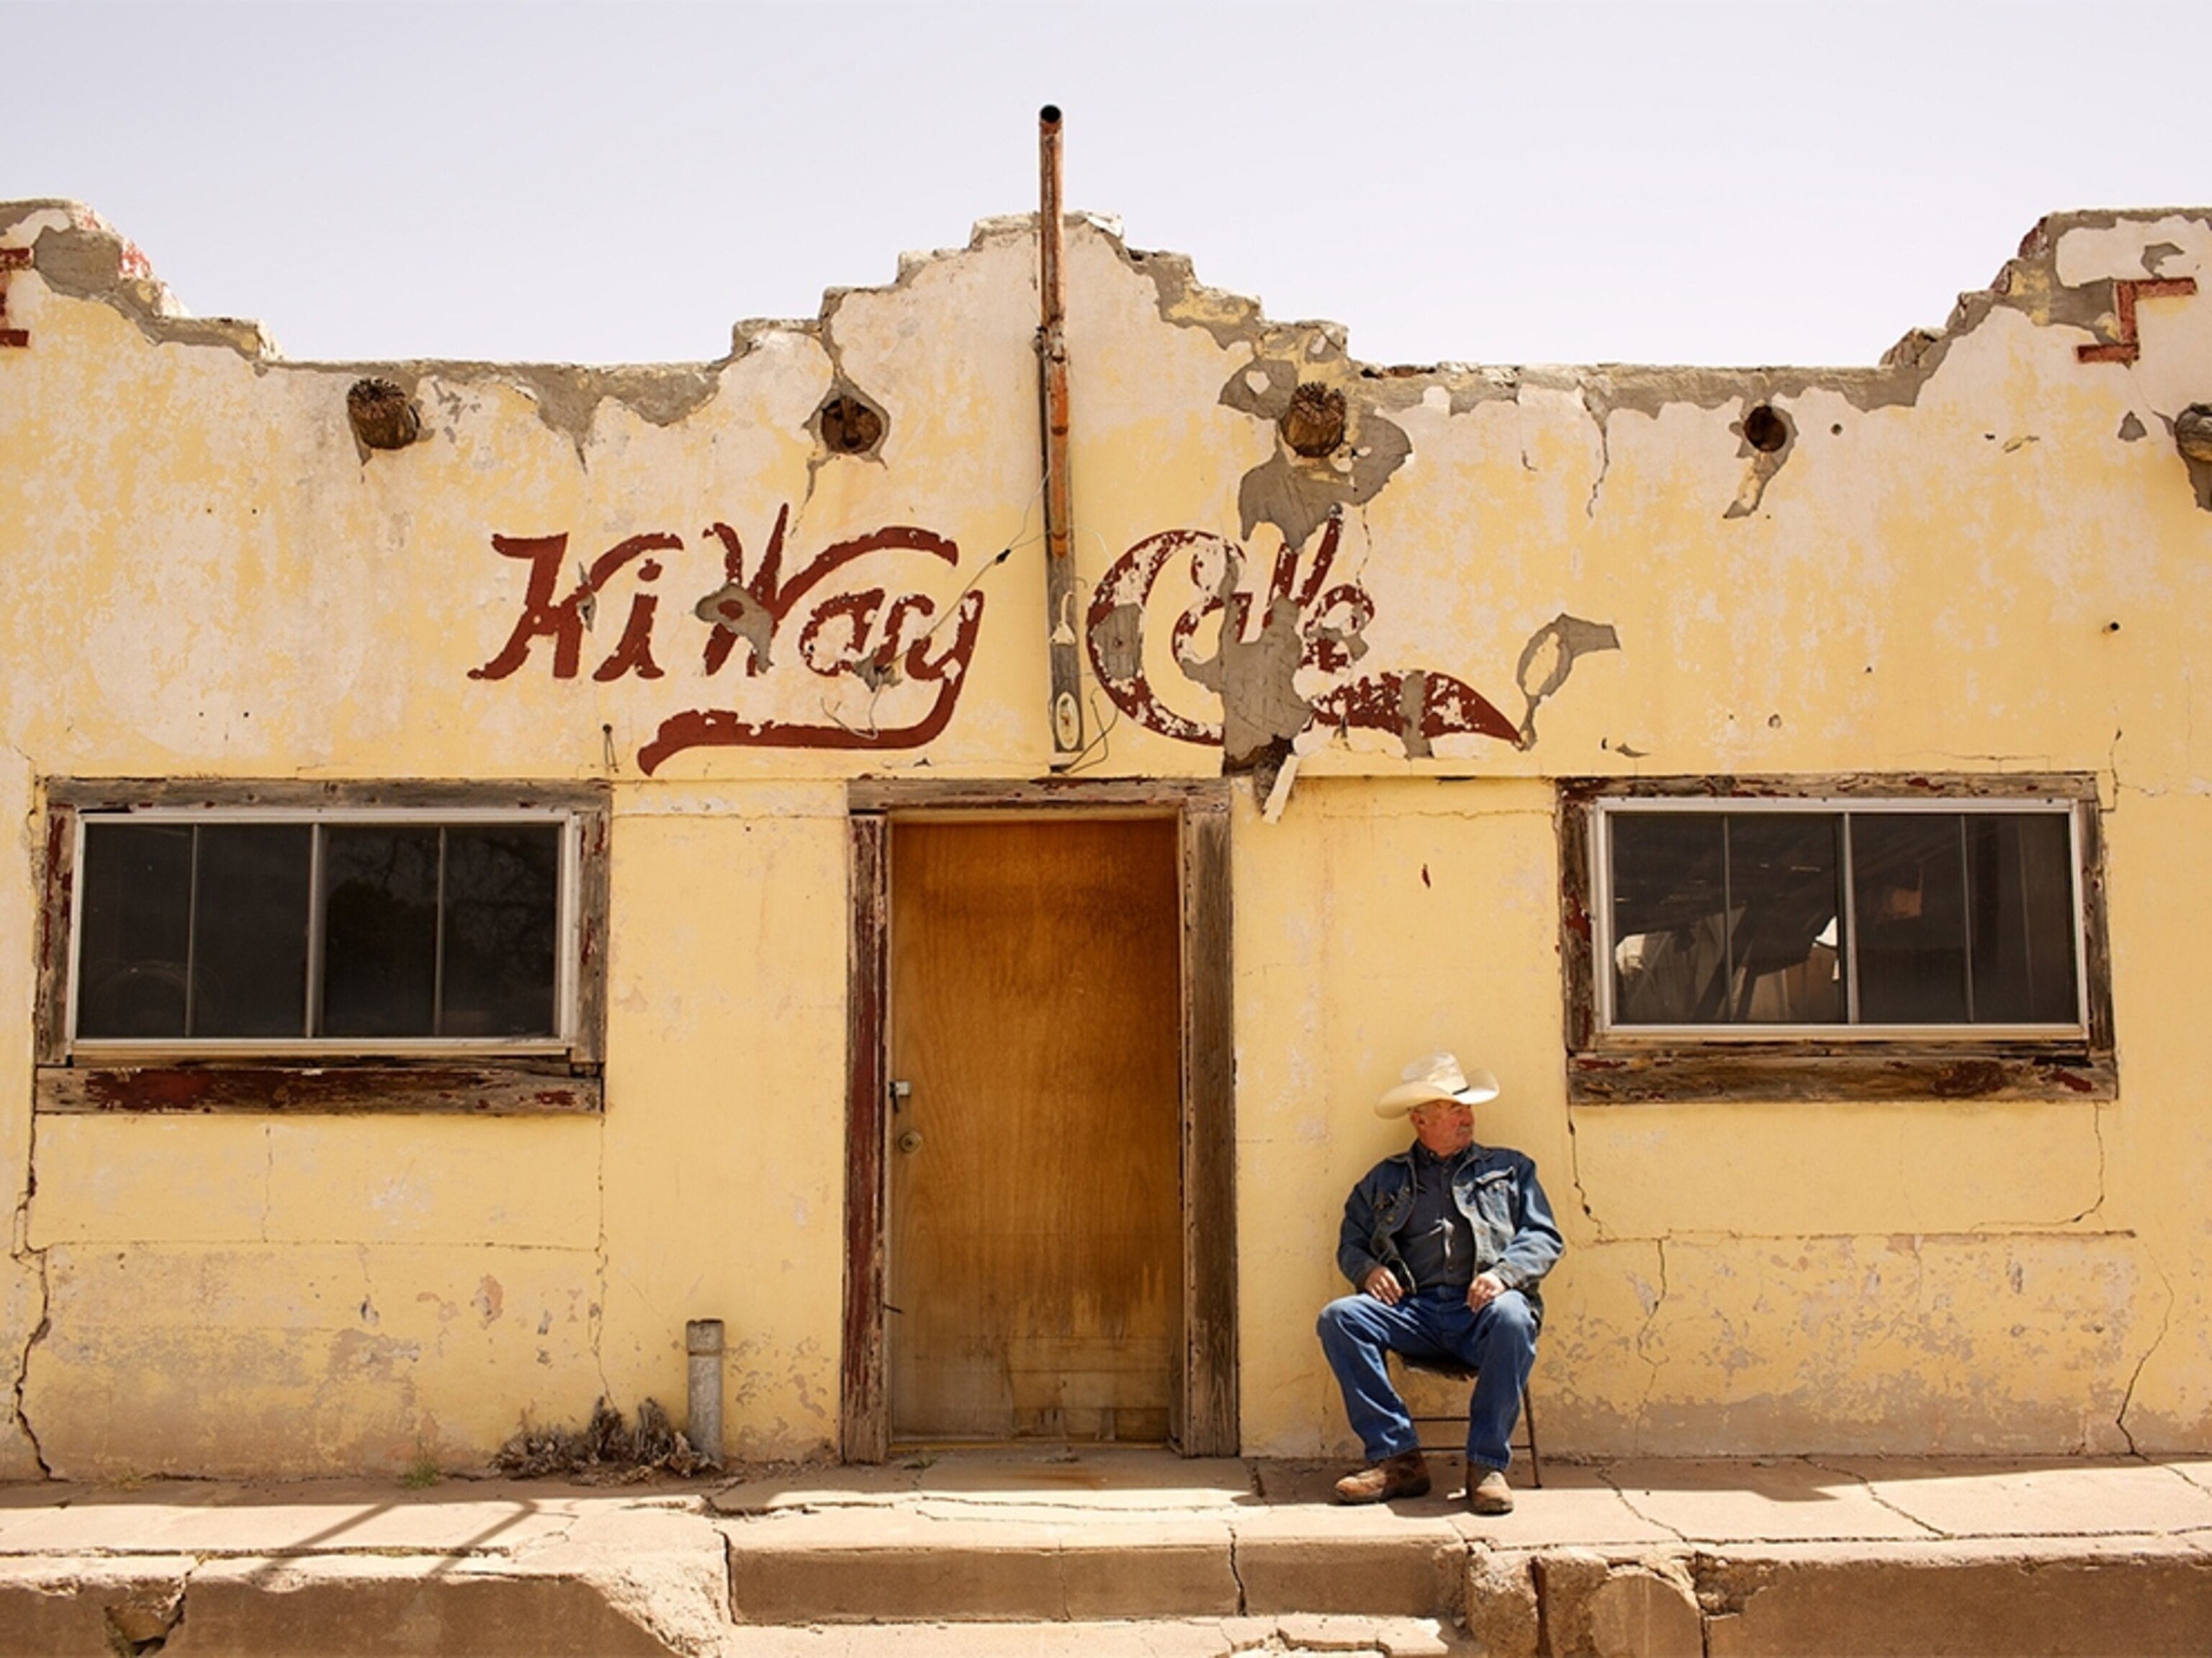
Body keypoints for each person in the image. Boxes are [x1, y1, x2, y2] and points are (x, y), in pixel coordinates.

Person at [1316, 1051, 1563, 1514]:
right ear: (1420, 1120)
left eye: (1466, 1107)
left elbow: (1544, 1236)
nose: (1467, 1117)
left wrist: (1502, 1276)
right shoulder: (1383, 1179)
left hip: (1481, 1312)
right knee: (1340, 1318)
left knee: (1513, 1315)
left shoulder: (1512, 1170)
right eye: (1454, 1109)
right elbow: (1351, 1241)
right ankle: (1397, 1459)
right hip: (1416, 1311)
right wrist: (1368, 1270)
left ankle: (1486, 1466)